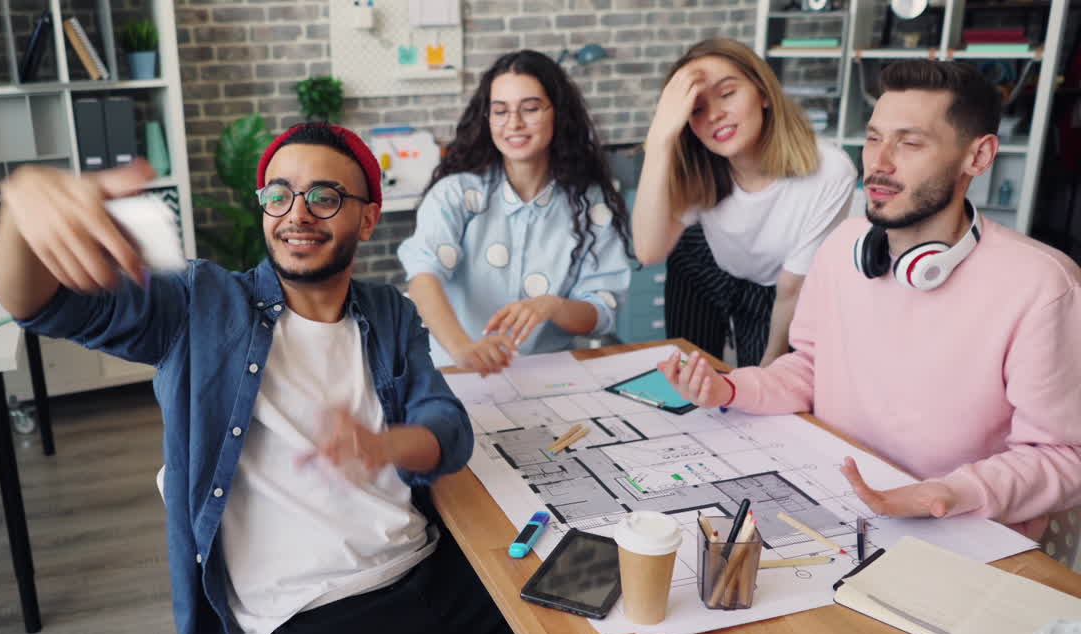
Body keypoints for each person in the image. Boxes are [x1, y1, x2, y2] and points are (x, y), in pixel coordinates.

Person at [0, 123, 566, 634]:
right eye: (278, 194)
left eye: (324, 196)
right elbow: (37, 305)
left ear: (367, 220)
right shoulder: (200, 305)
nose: (297, 213)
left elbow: (447, 427)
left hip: (434, 578)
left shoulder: (389, 313)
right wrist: (22, 203)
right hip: (308, 630)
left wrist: (388, 443)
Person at [657, 60, 1081, 539]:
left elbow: (1064, 459)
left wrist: (951, 492)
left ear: (978, 157)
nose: (879, 162)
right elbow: (811, 368)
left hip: (966, 533)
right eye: (875, 138)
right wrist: (732, 389)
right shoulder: (844, 247)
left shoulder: (1044, 287)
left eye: (910, 142)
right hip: (839, 507)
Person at [398, 49, 633, 376]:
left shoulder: (590, 204)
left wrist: (553, 306)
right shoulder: (456, 193)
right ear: (487, 118)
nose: (514, 124)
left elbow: (601, 311)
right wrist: (463, 349)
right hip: (453, 370)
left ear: (558, 114)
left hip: (548, 376)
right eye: (500, 111)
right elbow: (424, 278)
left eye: (531, 108)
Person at [631, 38, 857, 367]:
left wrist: (767, 374)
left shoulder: (830, 171)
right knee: (690, 379)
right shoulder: (700, 166)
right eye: (696, 109)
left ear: (763, 92)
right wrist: (660, 138)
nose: (715, 115)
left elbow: (791, 288)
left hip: (778, 285)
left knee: (765, 385)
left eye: (727, 94)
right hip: (707, 265)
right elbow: (649, 251)